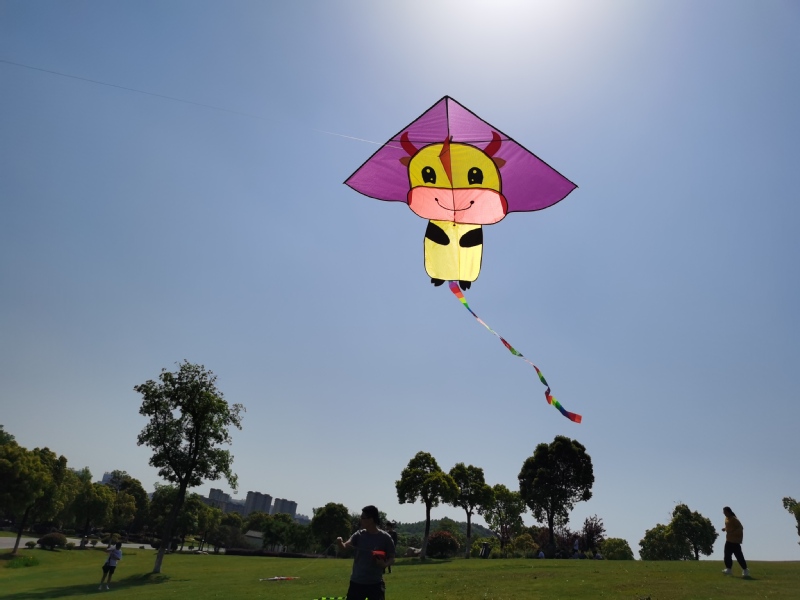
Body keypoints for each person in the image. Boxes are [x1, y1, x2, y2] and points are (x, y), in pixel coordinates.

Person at [337, 505, 396, 600]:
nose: (360, 520)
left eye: (362, 518)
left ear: (371, 519)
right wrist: (340, 542)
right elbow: (344, 548)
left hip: (376, 584)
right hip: (357, 583)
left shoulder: (385, 537)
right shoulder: (358, 535)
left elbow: (392, 557)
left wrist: (384, 564)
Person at [721, 506, 749, 578]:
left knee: (739, 556)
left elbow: (740, 528)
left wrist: (732, 532)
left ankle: (745, 570)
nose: (724, 513)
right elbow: (729, 527)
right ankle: (728, 569)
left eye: (725, 512)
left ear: (729, 512)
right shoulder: (726, 519)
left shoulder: (734, 519)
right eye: (723, 512)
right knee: (727, 555)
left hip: (735, 541)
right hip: (728, 540)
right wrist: (725, 529)